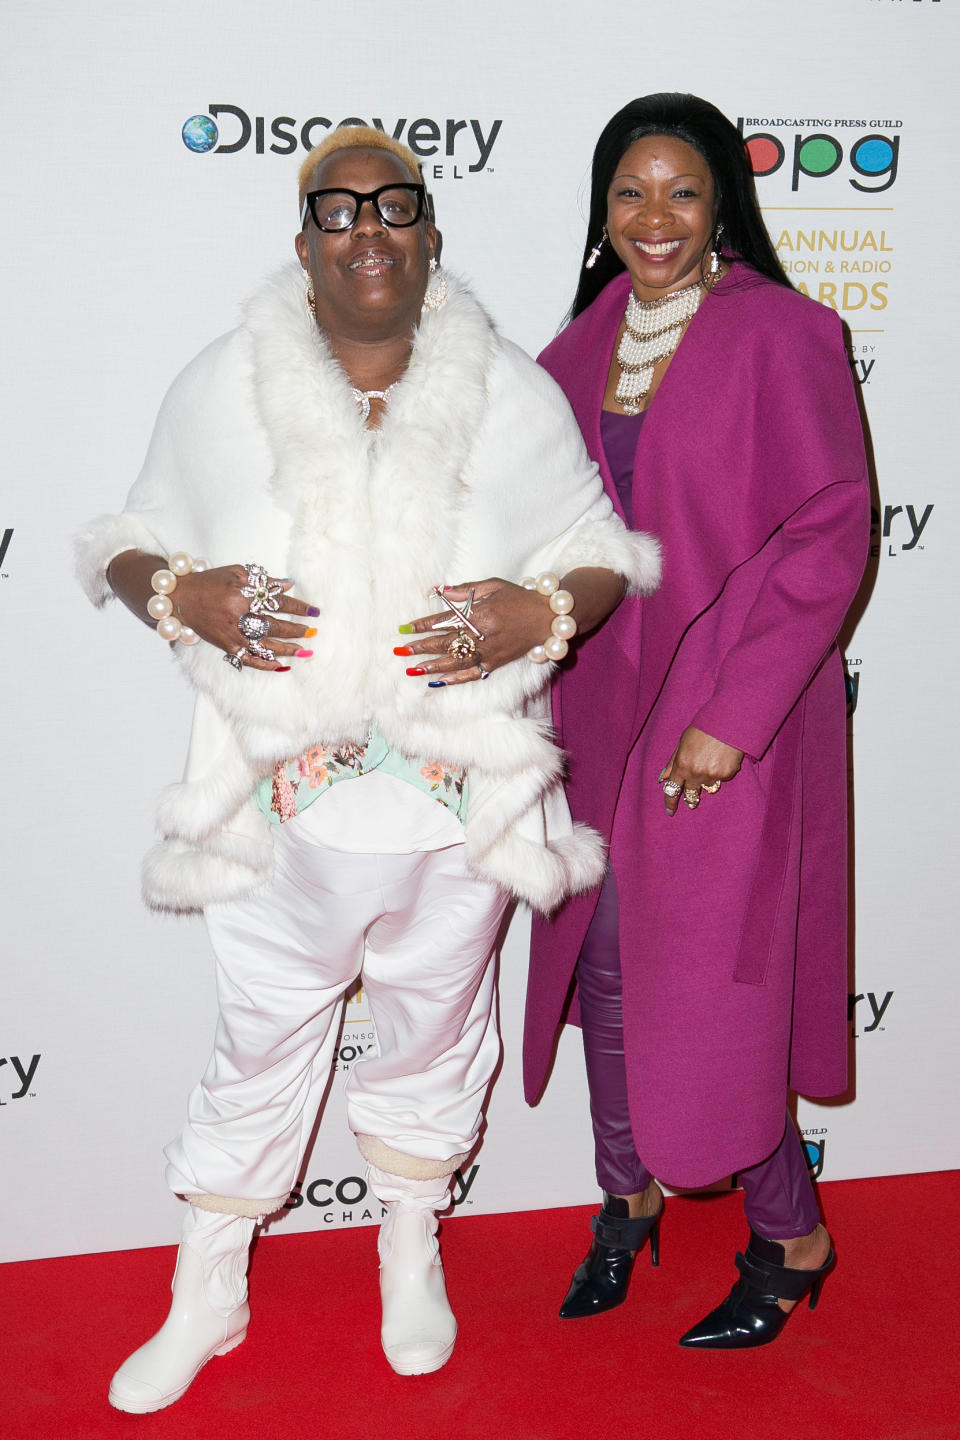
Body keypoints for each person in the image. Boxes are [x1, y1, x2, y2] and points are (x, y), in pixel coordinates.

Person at [76, 126, 660, 1412]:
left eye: (395, 205)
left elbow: (600, 545)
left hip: (462, 803)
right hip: (279, 804)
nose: (369, 229)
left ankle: (410, 1244)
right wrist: (182, 590)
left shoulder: (510, 389)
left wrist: (543, 614)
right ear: (304, 244)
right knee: (259, 1040)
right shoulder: (220, 385)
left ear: (431, 231)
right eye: (337, 211)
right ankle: (209, 1286)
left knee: (438, 1027)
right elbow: (128, 536)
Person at [523, 93, 870, 1349]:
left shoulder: (788, 334)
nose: (653, 217)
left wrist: (737, 710)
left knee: (707, 988)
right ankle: (630, 1199)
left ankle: (791, 1230)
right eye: (629, 192)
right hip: (596, 711)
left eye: (680, 190)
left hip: (729, 712)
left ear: (723, 197)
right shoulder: (567, 356)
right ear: (602, 210)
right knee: (601, 967)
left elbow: (830, 531)